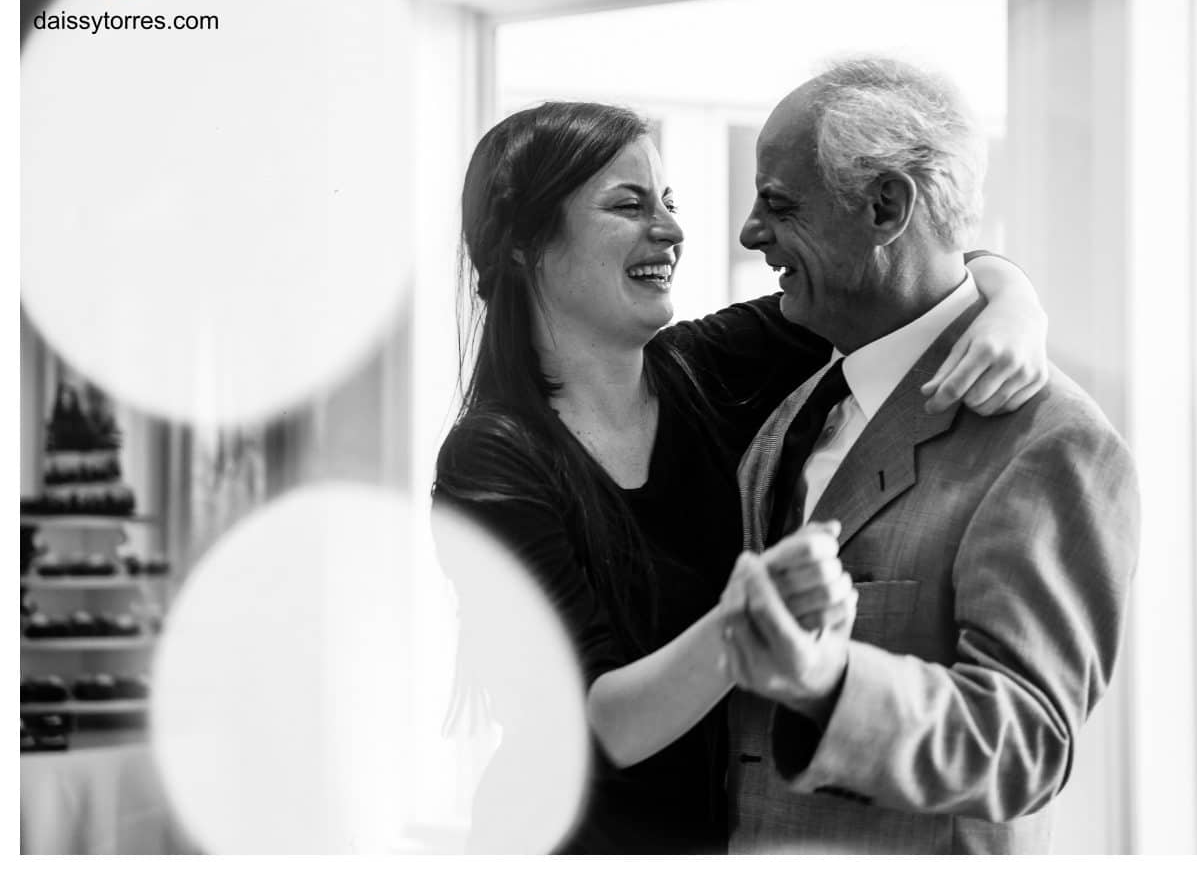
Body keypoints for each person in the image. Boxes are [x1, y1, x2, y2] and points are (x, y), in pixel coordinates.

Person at [429, 100, 1052, 853]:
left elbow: (898, 286)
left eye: (668, 201)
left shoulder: (711, 366)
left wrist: (1014, 304)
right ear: (525, 245)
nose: (670, 229)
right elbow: (600, 725)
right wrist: (750, 618)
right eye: (628, 205)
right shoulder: (491, 460)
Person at [719, 58, 1141, 854]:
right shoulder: (788, 406)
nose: (749, 232)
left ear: (886, 206)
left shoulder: (1052, 441)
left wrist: (828, 682)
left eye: (779, 202)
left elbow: (1026, 744)